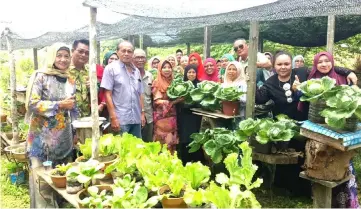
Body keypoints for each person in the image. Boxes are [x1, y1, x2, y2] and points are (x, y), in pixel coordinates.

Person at [295, 51, 359, 208]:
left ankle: (346, 203)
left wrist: (349, 71)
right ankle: (322, 201)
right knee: (321, 163)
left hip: (339, 128)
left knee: (341, 165)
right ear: (315, 64)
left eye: (327, 61)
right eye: (320, 62)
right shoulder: (310, 79)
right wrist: (297, 89)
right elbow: (300, 99)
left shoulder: (341, 77)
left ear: (332, 62)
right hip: (317, 128)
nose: (324, 64)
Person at [25, 43, 77, 208]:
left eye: (66, 56)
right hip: (42, 137)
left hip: (64, 137)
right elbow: (32, 104)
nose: (63, 59)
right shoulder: (41, 76)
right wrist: (59, 105)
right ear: (52, 56)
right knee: (42, 177)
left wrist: (75, 129)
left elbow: (72, 106)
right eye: (59, 55)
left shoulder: (70, 78)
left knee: (60, 176)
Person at [101, 41, 145, 138]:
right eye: (123, 51)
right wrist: (113, 117)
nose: (126, 53)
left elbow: (140, 93)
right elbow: (107, 94)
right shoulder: (110, 69)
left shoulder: (136, 71)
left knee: (136, 150)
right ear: (117, 52)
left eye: (129, 51)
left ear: (132, 54)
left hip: (136, 118)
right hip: (120, 119)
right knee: (121, 150)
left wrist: (142, 113)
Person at [176, 64, 205, 164]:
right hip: (184, 117)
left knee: (196, 137)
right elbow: (177, 101)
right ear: (185, 73)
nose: (191, 74)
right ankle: (185, 161)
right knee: (185, 138)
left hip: (196, 117)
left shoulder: (200, 85)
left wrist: (190, 103)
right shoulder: (181, 85)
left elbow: (201, 101)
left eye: (193, 72)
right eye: (189, 72)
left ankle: (197, 161)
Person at [152, 60, 182, 153]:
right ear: (160, 70)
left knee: (172, 143)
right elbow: (157, 101)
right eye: (164, 67)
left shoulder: (174, 81)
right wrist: (173, 102)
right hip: (162, 118)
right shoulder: (157, 82)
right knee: (163, 144)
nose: (167, 70)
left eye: (169, 67)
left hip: (172, 117)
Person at [133, 49, 154, 142]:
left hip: (148, 115)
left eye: (142, 57)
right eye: (137, 57)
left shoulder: (149, 76)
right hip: (133, 116)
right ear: (133, 59)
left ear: (146, 60)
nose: (140, 60)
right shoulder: (130, 75)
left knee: (148, 142)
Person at [68, 39, 91, 117]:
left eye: (87, 53)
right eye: (80, 51)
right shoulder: (64, 70)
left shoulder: (90, 71)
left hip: (86, 116)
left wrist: (93, 87)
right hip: (69, 117)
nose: (84, 55)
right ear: (72, 51)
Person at [97, 51, 119, 119]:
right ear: (106, 59)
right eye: (111, 58)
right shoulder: (99, 70)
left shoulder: (119, 74)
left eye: (116, 59)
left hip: (114, 107)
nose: (114, 61)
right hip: (98, 106)